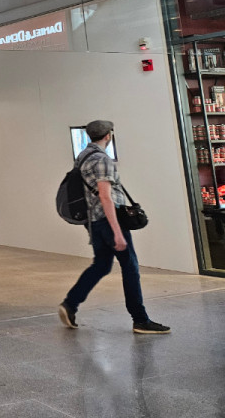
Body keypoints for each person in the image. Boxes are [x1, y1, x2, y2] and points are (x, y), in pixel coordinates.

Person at [59, 120, 170, 334]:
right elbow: (105, 197)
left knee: (101, 265)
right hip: (109, 222)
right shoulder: (102, 160)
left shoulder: (82, 157)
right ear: (108, 136)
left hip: (94, 222)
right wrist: (118, 232)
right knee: (130, 267)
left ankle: (70, 304)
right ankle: (140, 319)